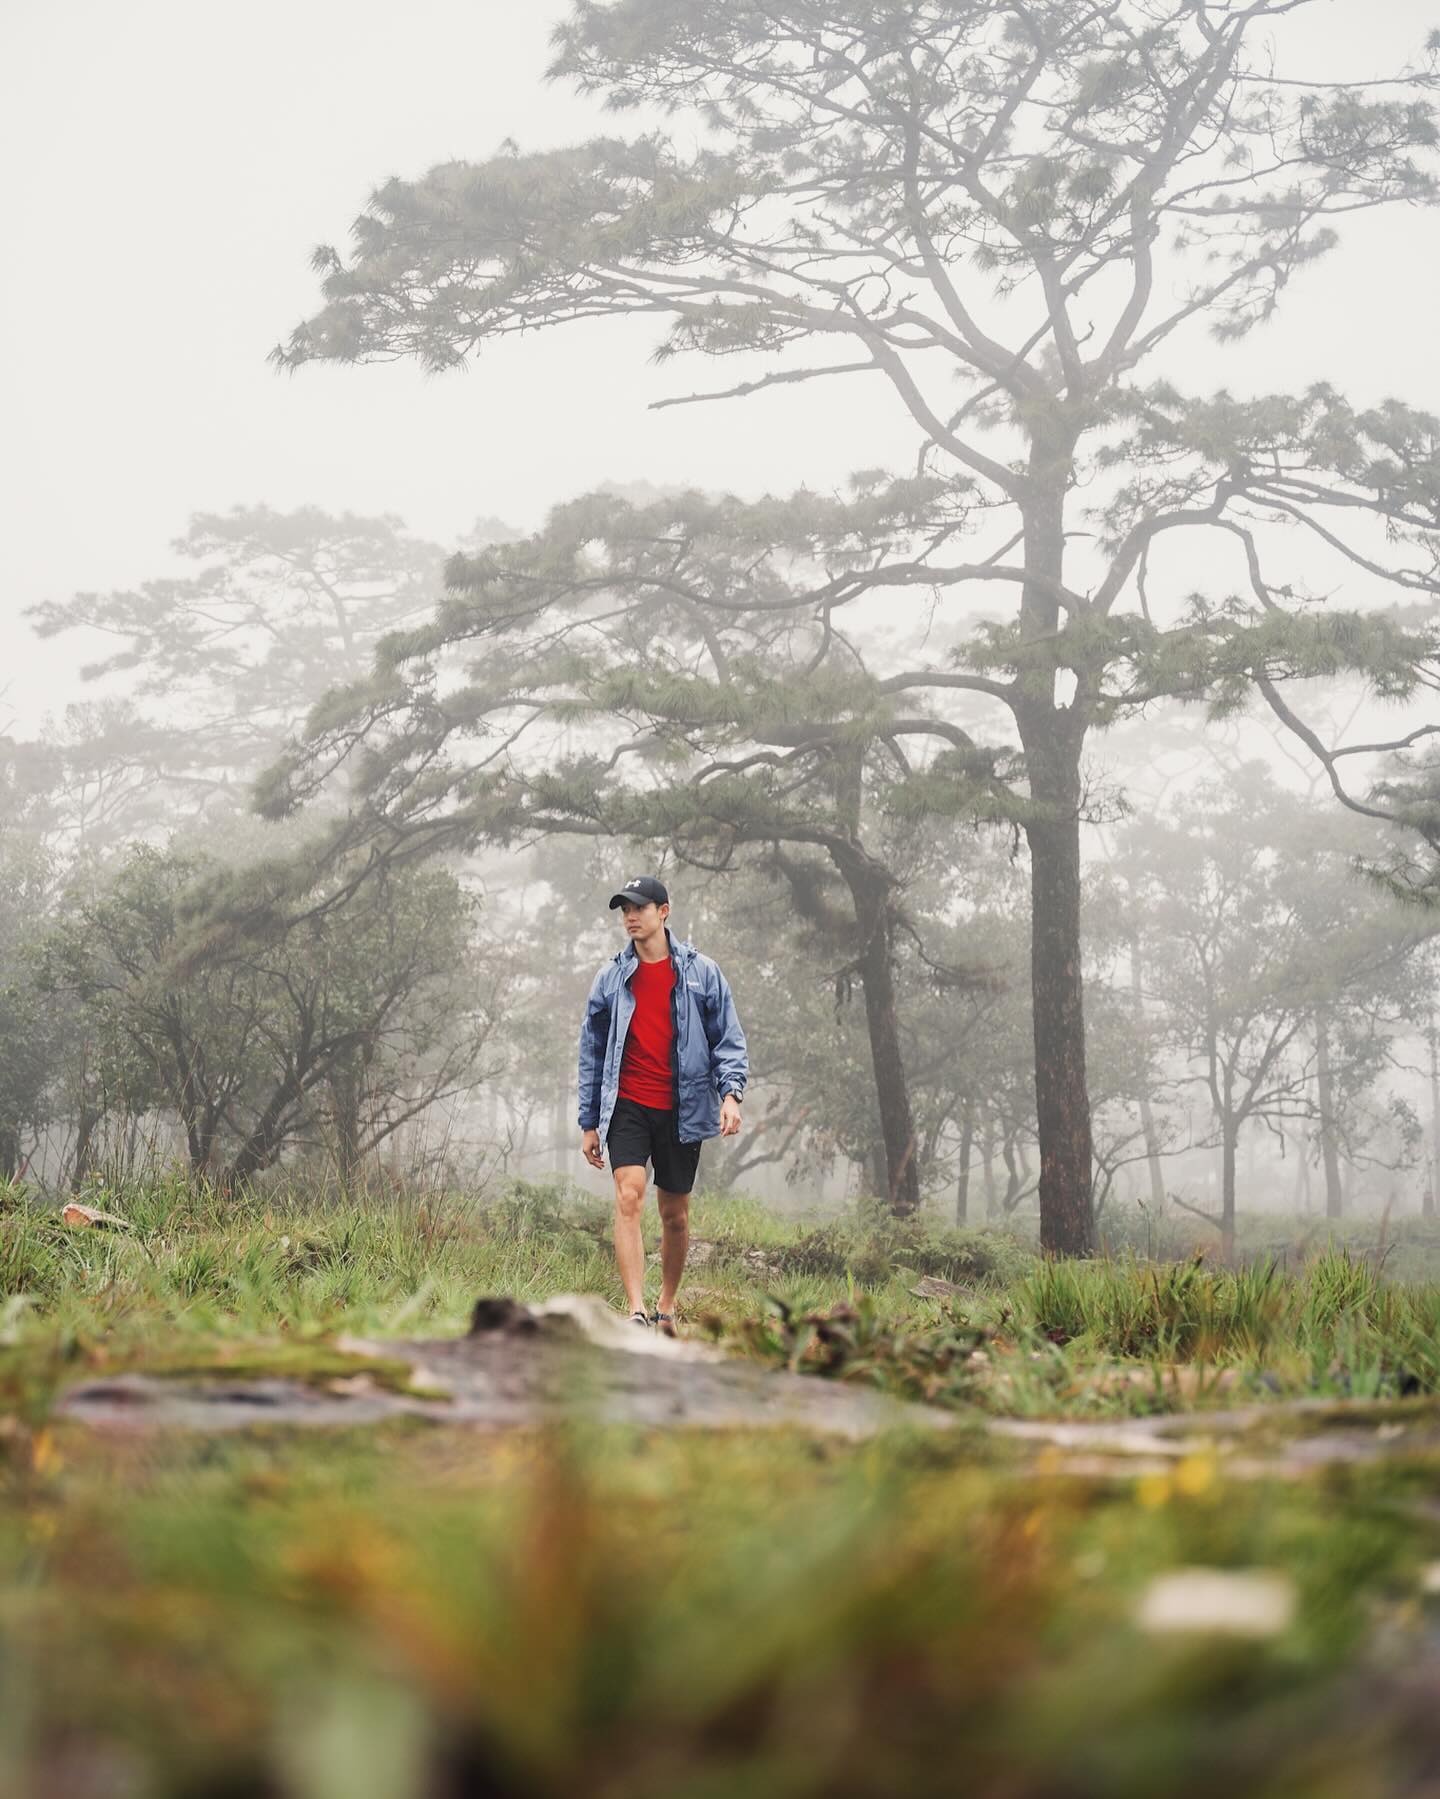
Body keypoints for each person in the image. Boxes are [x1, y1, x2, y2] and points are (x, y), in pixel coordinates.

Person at [577, 875, 747, 1335]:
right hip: (628, 1103)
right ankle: (635, 1310)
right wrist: (589, 1122)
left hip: (682, 1106)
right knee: (628, 1194)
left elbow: (727, 1040)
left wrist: (730, 1095)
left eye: (639, 908)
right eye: (624, 910)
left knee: (675, 1214)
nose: (630, 917)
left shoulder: (701, 972)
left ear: (664, 912)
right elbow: (592, 1051)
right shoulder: (611, 978)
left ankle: (666, 1308)